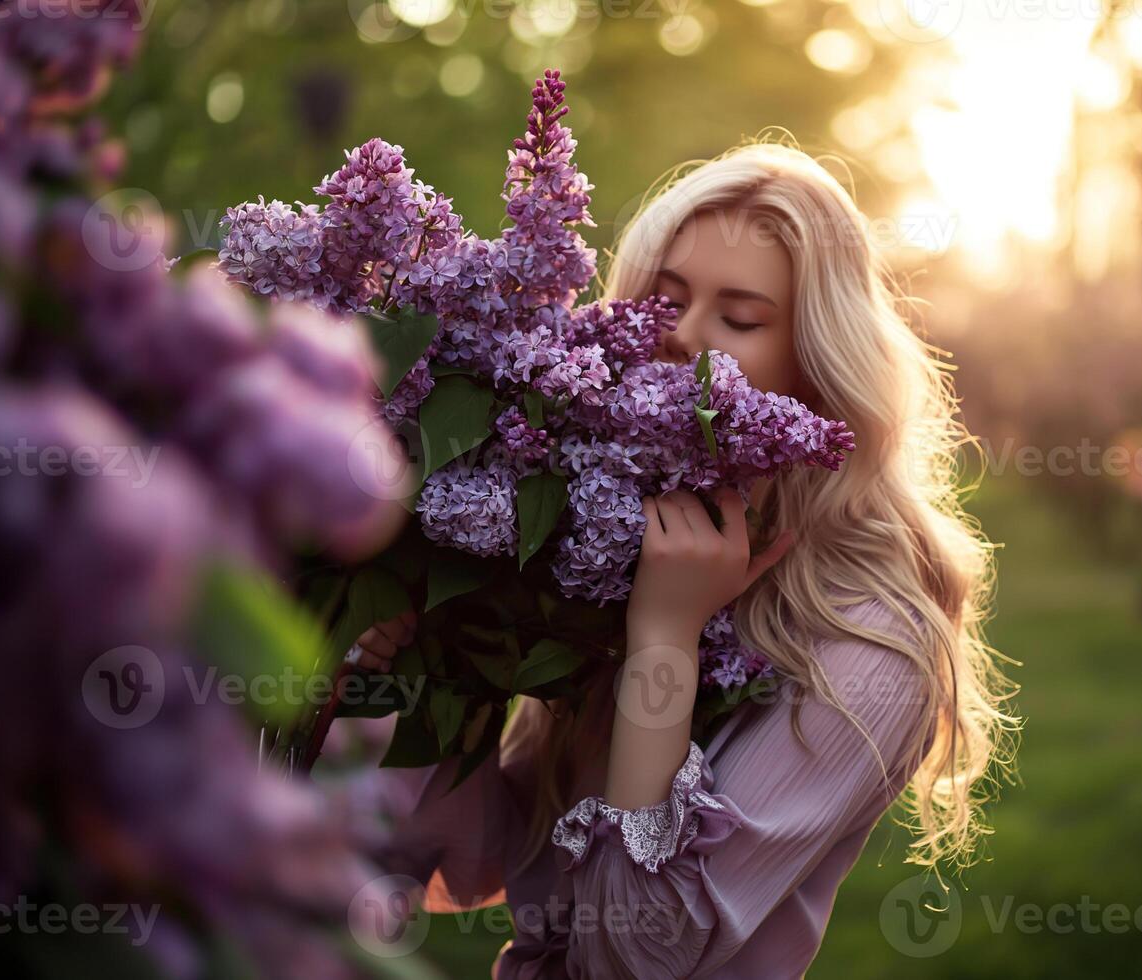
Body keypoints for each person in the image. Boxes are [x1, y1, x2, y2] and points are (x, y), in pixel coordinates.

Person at [349, 139, 1018, 978]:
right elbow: (490, 853)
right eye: (661, 303)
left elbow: (639, 950)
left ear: (816, 363)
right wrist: (423, 660)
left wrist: (663, 637)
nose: (684, 338)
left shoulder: (873, 641)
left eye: (740, 319)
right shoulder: (607, 532)